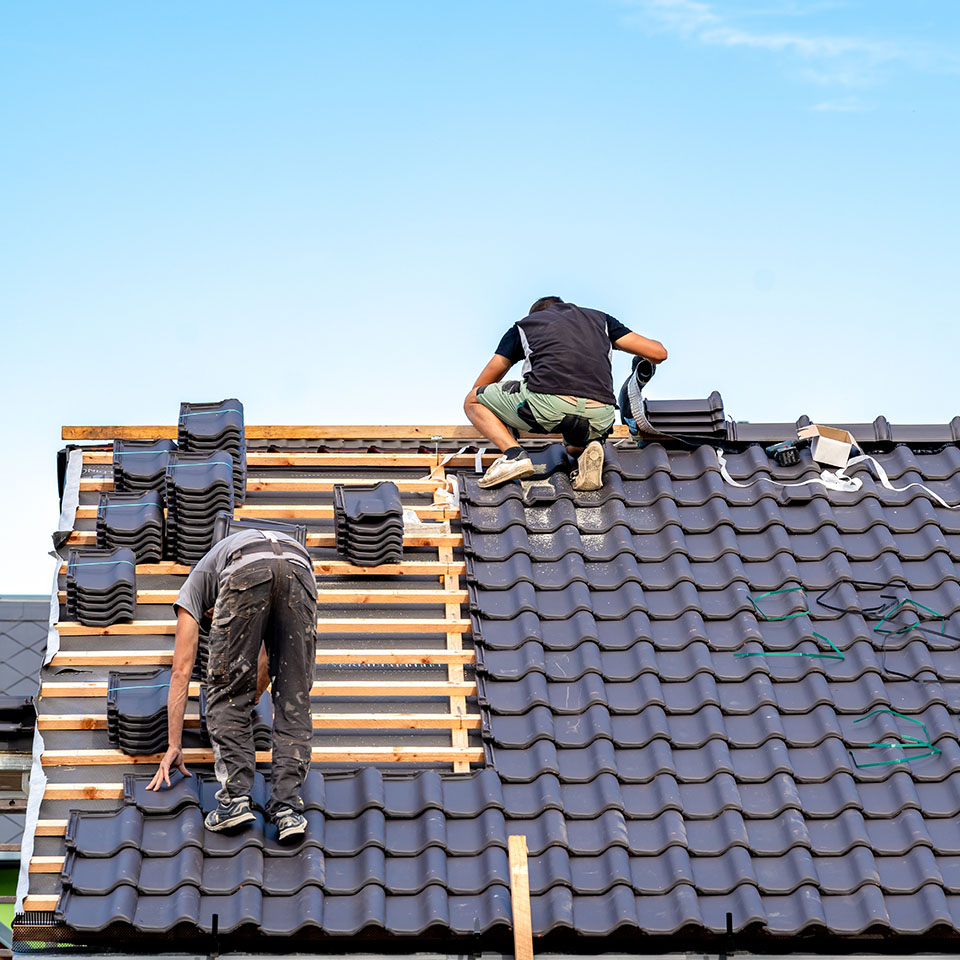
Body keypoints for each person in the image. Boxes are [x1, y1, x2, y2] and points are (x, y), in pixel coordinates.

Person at [147, 528, 318, 842]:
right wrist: (253, 695)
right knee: (295, 695)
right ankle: (287, 810)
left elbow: (181, 671)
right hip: (300, 566)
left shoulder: (192, 590)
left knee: (225, 690)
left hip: (246, 567)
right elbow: (267, 659)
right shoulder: (216, 568)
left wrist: (174, 745)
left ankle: (235, 801)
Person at [464, 297, 668, 490]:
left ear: (535, 314)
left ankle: (514, 455)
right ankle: (589, 450)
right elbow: (658, 353)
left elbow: (481, 386)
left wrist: (504, 417)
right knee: (572, 447)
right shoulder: (601, 320)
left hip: (547, 406)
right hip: (601, 415)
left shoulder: (526, 325)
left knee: (472, 400)